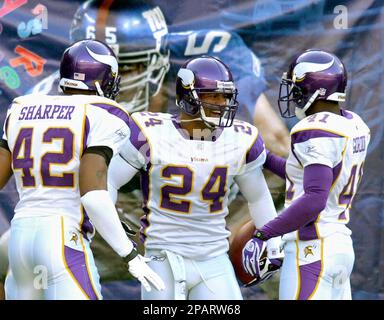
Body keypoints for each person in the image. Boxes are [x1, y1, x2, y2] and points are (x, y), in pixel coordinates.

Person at [108, 55, 283, 300]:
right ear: (187, 96)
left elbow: (259, 197)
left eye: (225, 96)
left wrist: (272, 240)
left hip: (213, 257)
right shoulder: (149, 133)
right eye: (212, 96)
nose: (221, 103)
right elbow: (107, 184)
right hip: (162, 254)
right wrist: (110, 229)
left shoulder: (240, 139)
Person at [0, 39, 164, 299]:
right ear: (102, 79)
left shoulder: (21, 107)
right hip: (62, 238)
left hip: (19, 237)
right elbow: (93, 194)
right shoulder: (104, 113)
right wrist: (129, 254)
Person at [241, 49, 370, 300]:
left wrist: (264, 233)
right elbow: (301, 175)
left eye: (297, 87)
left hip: (312, 250)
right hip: (340, 245)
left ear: (315, 90)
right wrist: (264, 158)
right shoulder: (354, 123)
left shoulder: (314, 129)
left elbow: (314, 199)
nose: (293, 94)